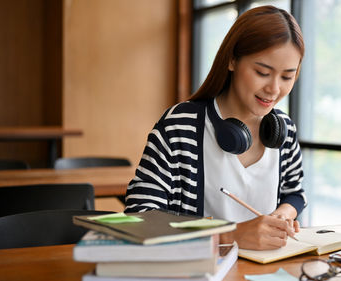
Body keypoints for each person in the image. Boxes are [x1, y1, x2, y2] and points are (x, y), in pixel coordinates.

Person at [125, 5, 306, 250]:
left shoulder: (284, 129)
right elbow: (140, 216)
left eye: (287, 77)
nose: (274, 89)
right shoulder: (180, 125)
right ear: (232, 60)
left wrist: (284, 214)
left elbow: (295, 194)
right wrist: (229, 236)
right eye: (262, 72)